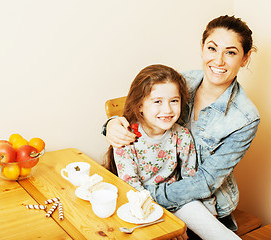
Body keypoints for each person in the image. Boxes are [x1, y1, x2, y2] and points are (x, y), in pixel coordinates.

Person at [102, 15, 260, 238]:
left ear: (245, 58)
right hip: (143, 198)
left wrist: (158, 207)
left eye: (231, 52)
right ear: (202, 48)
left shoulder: (245, 118)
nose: (219, 60)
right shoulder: (178, 82)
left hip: (202, 199)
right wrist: (111, 124)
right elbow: (139, 105)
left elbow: (202, 182)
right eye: (212, 48)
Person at [105, 64, 241, 239]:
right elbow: (133, 190)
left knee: (217, 232)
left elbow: (191, 180)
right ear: (140, 105)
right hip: (140, 208)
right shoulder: (126, 138)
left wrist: (206, 216)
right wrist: (169, 225)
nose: (167, 110)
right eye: (157, 101)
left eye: (174, 101)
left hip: (179, 201)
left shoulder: (182, 135)